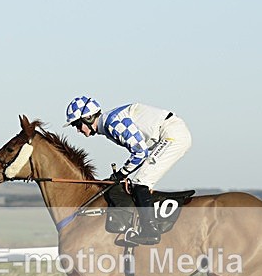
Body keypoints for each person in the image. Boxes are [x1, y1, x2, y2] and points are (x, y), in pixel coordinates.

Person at [63, 96, 192, 245]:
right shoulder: (109, 123)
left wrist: (120, 174)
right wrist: (122, 174)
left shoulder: (111, 123)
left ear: (88, 118)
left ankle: (150, 231)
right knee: (137, 181)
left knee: (140, 182)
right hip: (171, 133)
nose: (78, 130)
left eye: (77, 125)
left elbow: (140, 152)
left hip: (171, 136)